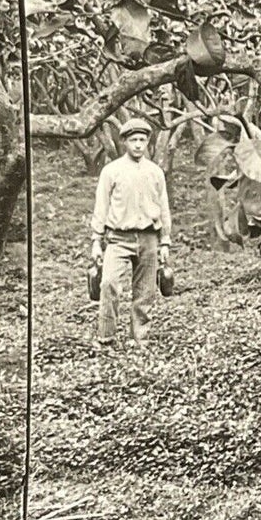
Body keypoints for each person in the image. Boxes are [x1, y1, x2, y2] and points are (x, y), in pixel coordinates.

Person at [90, 116, 172, 348]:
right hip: (118, 237)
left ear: (147, 142)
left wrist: (165, 241)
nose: (138, 144)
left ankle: (140, 339)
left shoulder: (155, 172)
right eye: (133, 139)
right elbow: (101, 207)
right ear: (124, 141)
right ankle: (106, 338)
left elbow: (164, 208)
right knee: (109, 284)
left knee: (145, 292)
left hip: (149, 238)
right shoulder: (111, 171)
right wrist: (96, 240)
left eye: (142, 140)